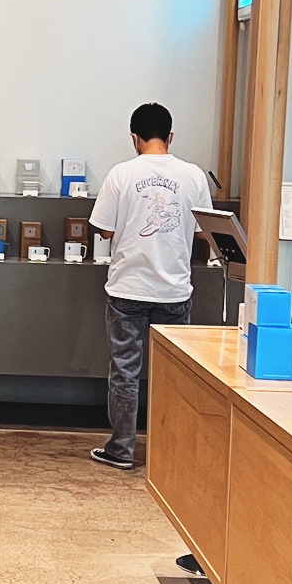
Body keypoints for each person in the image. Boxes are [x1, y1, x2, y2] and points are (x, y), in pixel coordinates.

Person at [87, 102, 213, 471]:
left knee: (125, 371)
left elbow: (105, 229)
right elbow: (201, 230)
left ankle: (122, 450)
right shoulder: (193, 176)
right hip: (174, 290)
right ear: (170, 136)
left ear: (134, 137)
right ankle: (169, 453)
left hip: (128, 288)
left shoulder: (121, 174)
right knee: (171, 373)